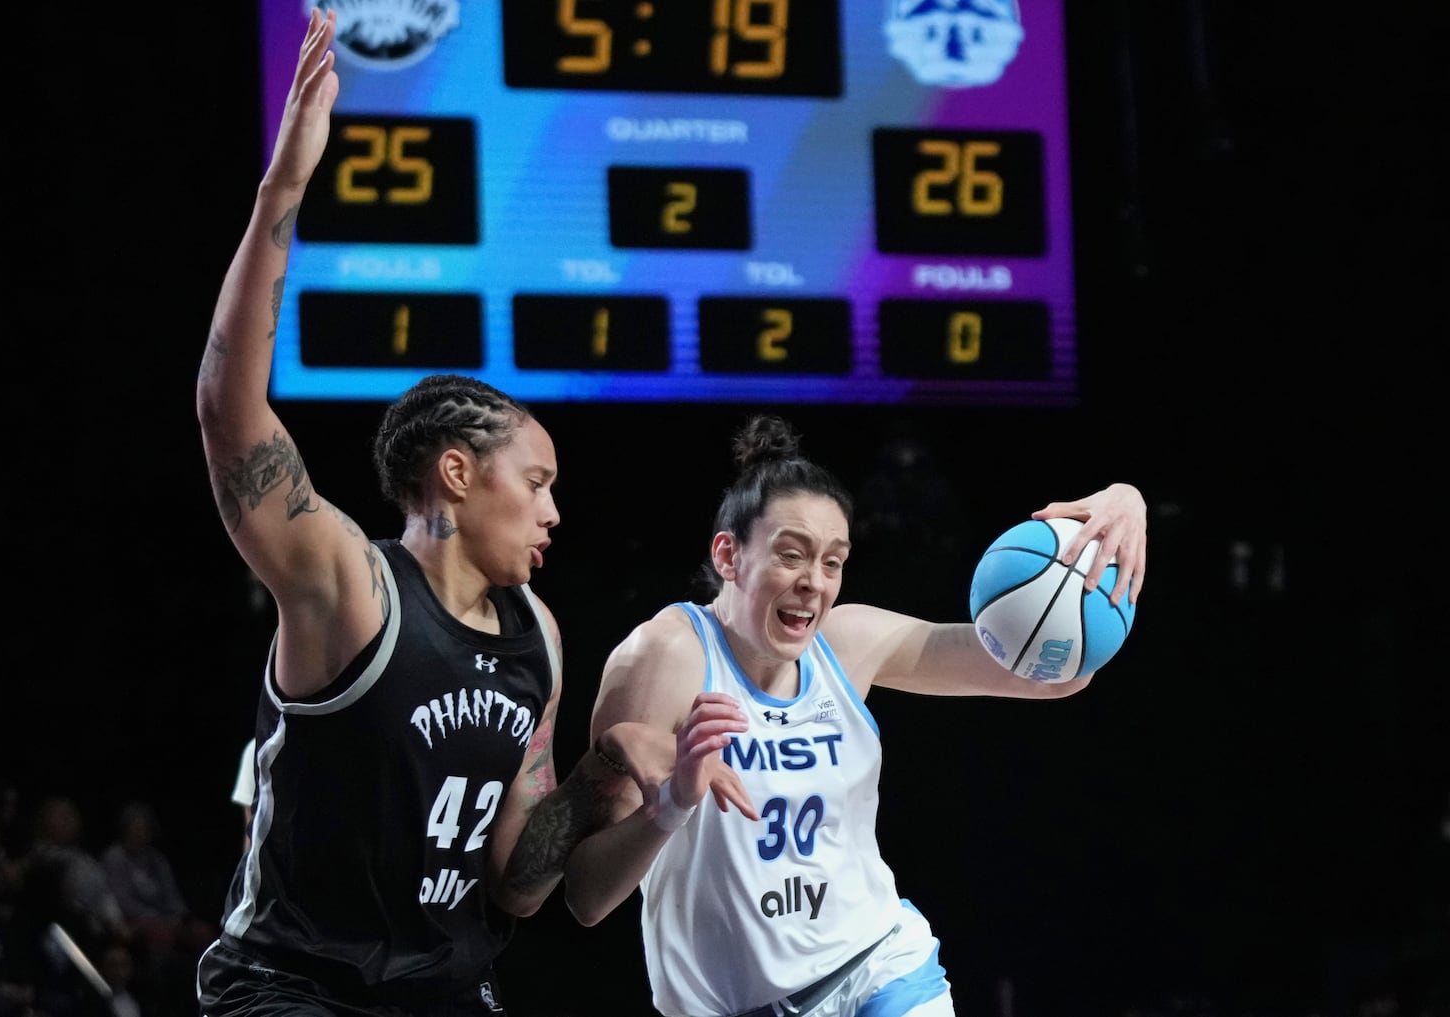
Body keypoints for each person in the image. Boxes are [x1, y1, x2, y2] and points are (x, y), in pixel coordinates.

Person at [191, 11, 743, 1016]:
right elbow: (230, 413)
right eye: (535, 482)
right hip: (292, 987)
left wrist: (602, 784)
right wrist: (284, 187)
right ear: (454, 474)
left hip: (446, 987)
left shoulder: (537, 635)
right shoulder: (350, 588)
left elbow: (518, 887)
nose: (554, 512)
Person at [562, 415, 1148, 1017]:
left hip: (879, 971)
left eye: (833, 562)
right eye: (792, 556)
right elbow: (586, 895)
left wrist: (1120, 515)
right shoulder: (664, 656)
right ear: (728, 555)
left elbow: (1052, 677)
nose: (814, 583)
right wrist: (672, 806)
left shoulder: (848, 642)